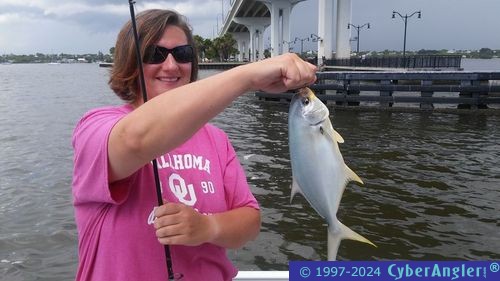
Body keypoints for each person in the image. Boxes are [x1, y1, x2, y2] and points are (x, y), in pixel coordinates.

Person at [71, 9, 317, 281]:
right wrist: (247, 76)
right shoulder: (96, 128)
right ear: (131, 63)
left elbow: (249, 220)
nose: (172, 66)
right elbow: (135, 141)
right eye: (156, 55)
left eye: (183, 54)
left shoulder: (216, 139)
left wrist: (207, 227)